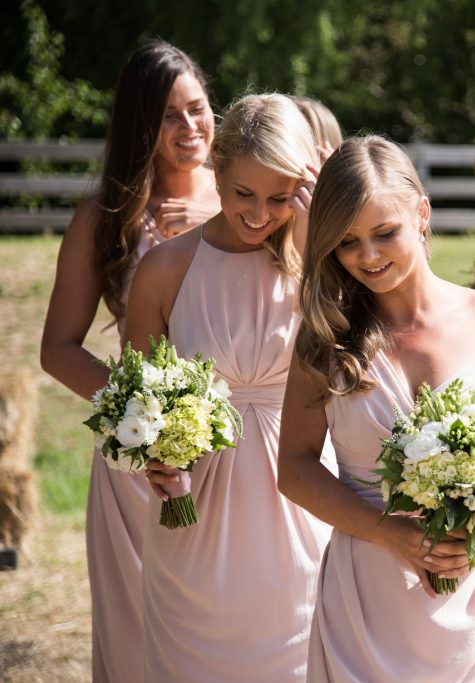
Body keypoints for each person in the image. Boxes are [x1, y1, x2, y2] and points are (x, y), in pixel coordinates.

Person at [277, 135, 475, 682]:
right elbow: (294, 469)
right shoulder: (325, 337)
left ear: (422, 212)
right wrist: (390, 532)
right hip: (369, 595)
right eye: (347, 242)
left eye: (384, 233)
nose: (367, 257)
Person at [123, 93, 330, 682]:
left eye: (279, 197)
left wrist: (318, 249)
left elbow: (357, 363)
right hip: (194, 517)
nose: (260, 214)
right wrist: (154, 461)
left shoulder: (323, 266)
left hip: (301, 508)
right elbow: (136, 402)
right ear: (216, 169)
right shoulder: (165, 270)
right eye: (243, 194)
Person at [38, 40, 219, 683]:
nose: (191, 127)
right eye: (170, 115)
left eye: (198, 109)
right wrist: (141, 414)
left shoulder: (247, 200)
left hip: (241, 448)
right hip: (139, 457)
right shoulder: (105, 218)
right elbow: (57, 347)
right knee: (139, 630)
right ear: (140, 124)